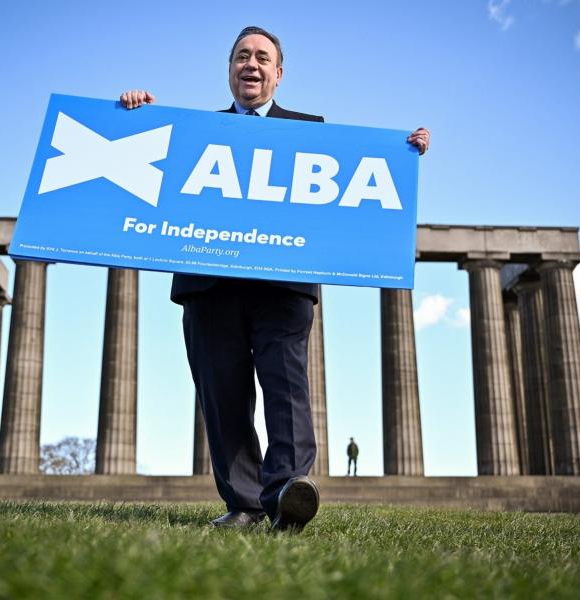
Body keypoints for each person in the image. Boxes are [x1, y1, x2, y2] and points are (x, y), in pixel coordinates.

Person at [120, 26, 429, 532]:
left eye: (263, 57)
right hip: (210, 283)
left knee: (287, 387)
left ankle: (286, 494)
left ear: (278, 74)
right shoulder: (191, 131)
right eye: (242, 56)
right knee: (222, 392)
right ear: (229, 69)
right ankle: (243, 503)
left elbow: (356, 190)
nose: (252, 64)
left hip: (281, 287)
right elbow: (137, 164)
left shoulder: (313, 130)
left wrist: (405, 151)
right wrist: (134, 116)